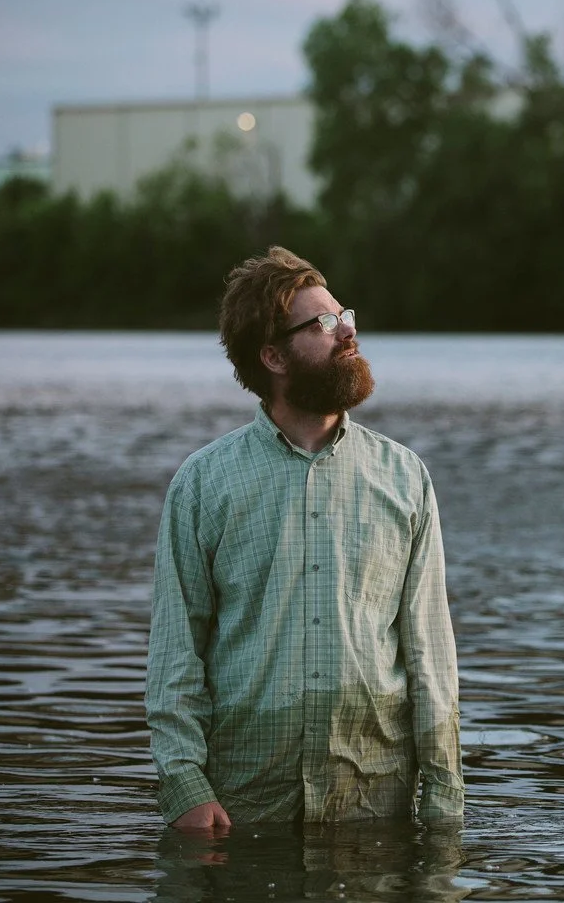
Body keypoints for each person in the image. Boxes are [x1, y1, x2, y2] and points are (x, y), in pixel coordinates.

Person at [145, 246, 463, 831]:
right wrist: (185, 786)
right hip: (243, 808)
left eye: (344, 315)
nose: (346, 333)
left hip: (375, 807)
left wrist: (444, 800)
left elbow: (430, 653)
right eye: (321, 324)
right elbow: (175, 654)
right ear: (273, 356)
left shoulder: (404, 476)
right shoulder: (203, 483)